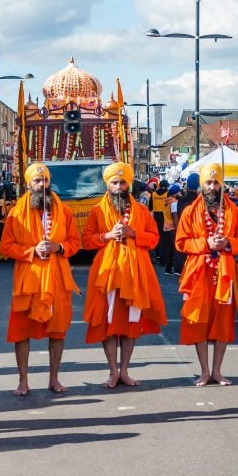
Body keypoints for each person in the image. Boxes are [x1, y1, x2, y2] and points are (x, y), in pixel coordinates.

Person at [82, 163, 167, 388]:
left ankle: (125, 371)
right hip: (107, 275)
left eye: (122, 182)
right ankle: (112, 372)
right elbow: (86, 240)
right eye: (114, 182)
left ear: (129, 184)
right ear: (107, 184)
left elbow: (154, 238)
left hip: (135, 274)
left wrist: (134, 233)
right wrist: (107, 235)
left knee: (131, 323)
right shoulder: (97, 211)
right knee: (108, 323)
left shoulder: (141, 211)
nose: (119, 186)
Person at [1, 163, 81, 396]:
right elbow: (6, 246)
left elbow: (75, 243)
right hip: (28, 280)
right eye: (37, 181)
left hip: (57, 279)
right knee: (22, 332)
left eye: (45, 180)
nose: (41, 185)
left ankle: (54, 378)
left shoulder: (63, 211)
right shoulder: (16, 212)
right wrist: (31, 251)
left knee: (57, 332)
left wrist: (59, 246)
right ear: (28, 184)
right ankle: (23, 380)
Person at [176, 163, 238, 387]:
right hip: (198, 273)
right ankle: (204, 371)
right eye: (208, 182)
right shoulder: (190, 211)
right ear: (201, 185)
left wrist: (227, 242)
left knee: (222, 323)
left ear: (222, 185)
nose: (212, 187)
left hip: (225, 272)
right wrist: (205, 243)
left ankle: (217, 371)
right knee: (199, 321)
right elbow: (181, 242)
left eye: (216, 182)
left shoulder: (234, 211)